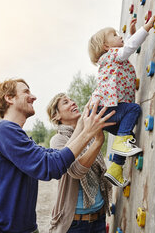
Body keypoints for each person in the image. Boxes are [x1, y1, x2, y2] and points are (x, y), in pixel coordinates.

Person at [0, 78, 115, 233]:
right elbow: (49, 166)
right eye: (26, 91)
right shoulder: (2, 129)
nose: (34, 97)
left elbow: (57, 156)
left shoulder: (20, 137)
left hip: (25, 228)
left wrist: (83, 124)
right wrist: (88, 133)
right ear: (9, 98)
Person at [88, 16, 155, 188]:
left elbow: (128, 46)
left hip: (100, 113)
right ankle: (121, 145)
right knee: (133, 110)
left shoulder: (111, 58)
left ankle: (115, 169)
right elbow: (130, 47)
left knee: (126, 136)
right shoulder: (112, 55)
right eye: (114, 35)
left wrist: (133, 33)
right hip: (104, 109)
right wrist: (146, 27)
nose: (120, 36)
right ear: (106, 46)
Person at [47, 93, 113, 233]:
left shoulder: (88, 133)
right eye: (65, 102)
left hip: (99, 217)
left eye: (72, 99)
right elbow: (75, 171)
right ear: (56, 116)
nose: (73, 102)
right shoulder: (57, 140)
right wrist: (98, 141)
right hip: (75, 223)